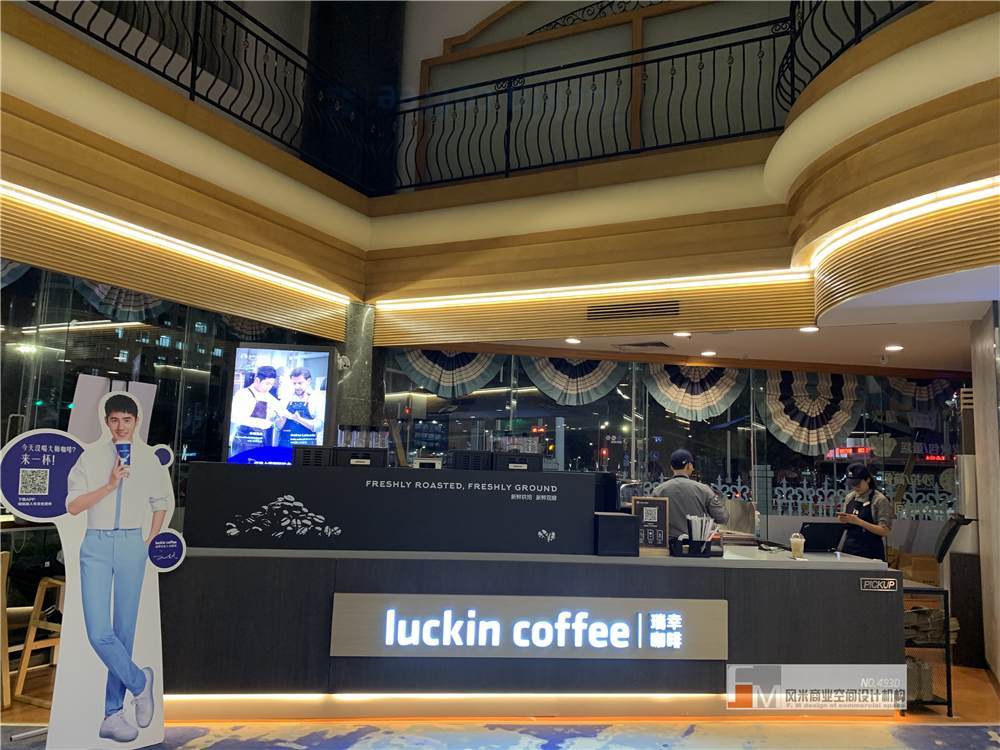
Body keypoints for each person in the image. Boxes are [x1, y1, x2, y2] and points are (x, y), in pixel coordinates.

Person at [66, 394, 170, 742]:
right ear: (106, 422)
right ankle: (141, 682)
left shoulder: (149, 459)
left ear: (136, 421)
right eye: (115, 420)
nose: (121, 426)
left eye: (127, 419)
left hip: (131, 543)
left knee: (125, 630)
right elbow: (74, 506)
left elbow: (160, 502)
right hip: (95, 544)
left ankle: (112, 714)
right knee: (99, 632)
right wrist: (110, 485)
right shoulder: (90, 457)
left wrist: (148, 540)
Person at [652, 448, 729, 538]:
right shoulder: (704, 490)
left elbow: (652, 519)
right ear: (688, 466)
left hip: (668, 542)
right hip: (696, 543)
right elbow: (722, 518)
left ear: (671, 467)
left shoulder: (659, 491)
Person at [837, 463, 894, 561]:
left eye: (858, 484)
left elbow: (885, 531)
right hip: (849, 550)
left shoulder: (879, 500)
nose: (855, 487)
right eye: (852, 484)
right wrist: (843, 520)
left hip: (871, 553)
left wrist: (859, 522)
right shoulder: (850, 497)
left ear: (867, 479)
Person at [229, 365, 280, 456]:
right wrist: (261, 423)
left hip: (261, 440)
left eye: (271, 384)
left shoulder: (269, 397)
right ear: (257, 380)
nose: (269, 387)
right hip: (243, 440)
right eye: (267, 384)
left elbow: (281, 411)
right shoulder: (243, 394)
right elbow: (234, 417)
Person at [275, 367, 326, 448]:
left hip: (306, 448)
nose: (296, 386)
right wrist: (283, 418)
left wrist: (299, 419)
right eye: (294, 383)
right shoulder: (285, 398)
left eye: (300, 383)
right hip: (285, 446)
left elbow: (318, 426)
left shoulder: (317, 398)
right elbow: (277, 427)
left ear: (308, 381)